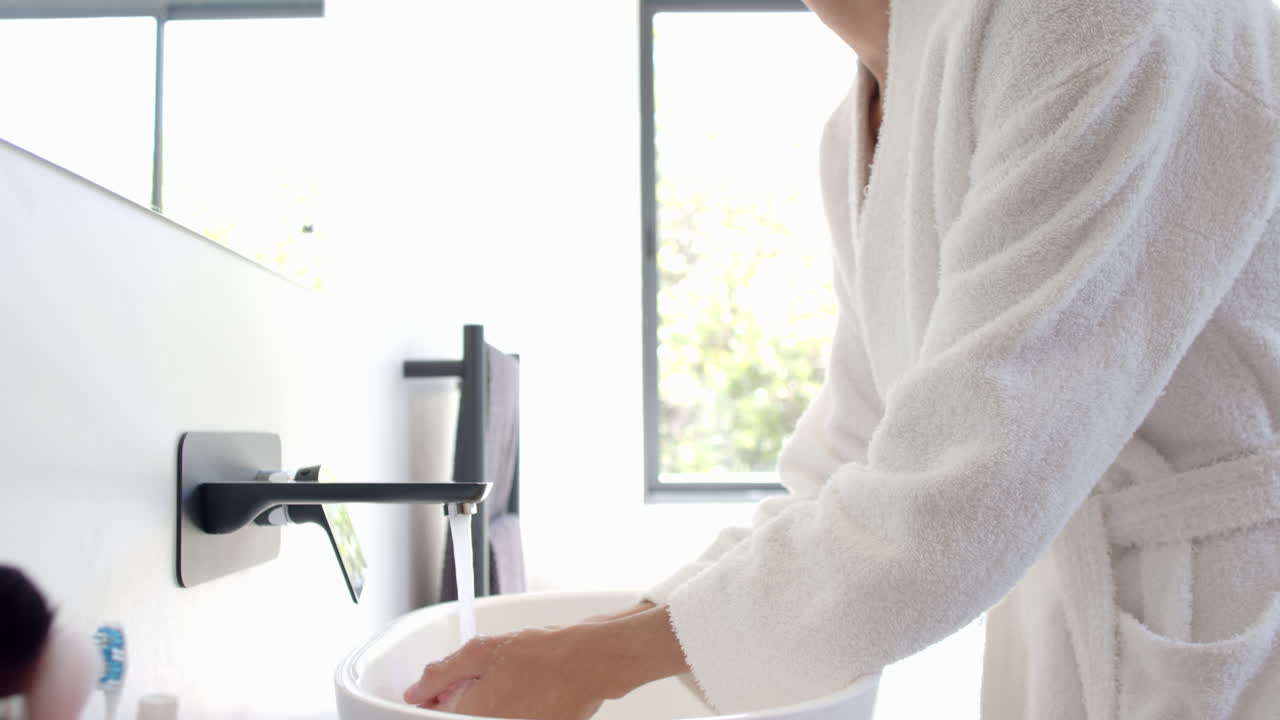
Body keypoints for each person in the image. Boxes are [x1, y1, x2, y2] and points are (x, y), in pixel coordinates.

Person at [404, 0, 1280, 717]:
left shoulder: (1097, 16)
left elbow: (970, 483)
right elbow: (850, 461)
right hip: (1071, 628)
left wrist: (598, 658)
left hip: (1217, 624)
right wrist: (602, 643)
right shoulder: (858, 122)